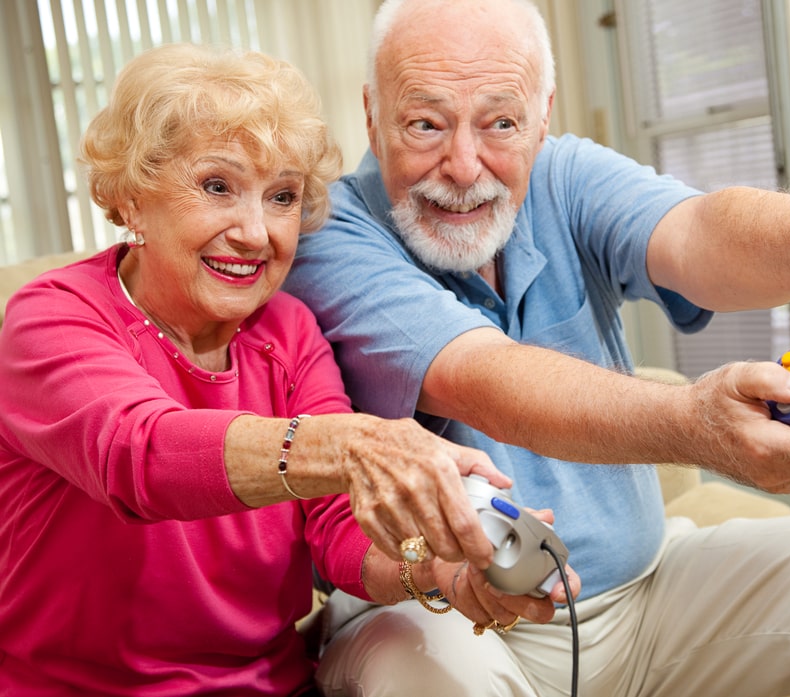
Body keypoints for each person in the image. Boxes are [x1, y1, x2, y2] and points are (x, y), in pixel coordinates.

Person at [283, 0, 790, 695]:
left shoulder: (563, 175)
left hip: (645, 591)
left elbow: (700, 230)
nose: (464, 166)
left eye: (501, 122)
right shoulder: (329, 234)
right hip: (439, 616)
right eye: (426, 123)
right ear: (372, 116)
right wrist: (696, 426)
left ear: (543, 114)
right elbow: (487, 379)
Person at [0, 42, 527, 696]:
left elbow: (337, 527)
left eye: (282, 196)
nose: (255, 232)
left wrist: (443, 575)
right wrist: (358, 443)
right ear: (132, 197)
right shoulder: (52, 318)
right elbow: (141, 455)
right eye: (217, 186)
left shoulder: (288, 329)